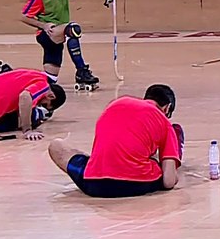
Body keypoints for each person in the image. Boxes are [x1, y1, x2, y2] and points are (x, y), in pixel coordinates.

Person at [48, 84, 184, 198]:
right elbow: (168, 182)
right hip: (136, 184)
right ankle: (175, 152)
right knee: (173, 136)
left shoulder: (116, 103)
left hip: (94, 184)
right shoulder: (164, 122)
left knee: (57, 146)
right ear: (167, 108)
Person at [19, 0, 119, 91]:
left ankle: (16, 79)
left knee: (50, 79)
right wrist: (43, 25)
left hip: (57, 37)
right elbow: (24, 16)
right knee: (73, 29)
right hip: (47, 33)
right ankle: (81, 71)